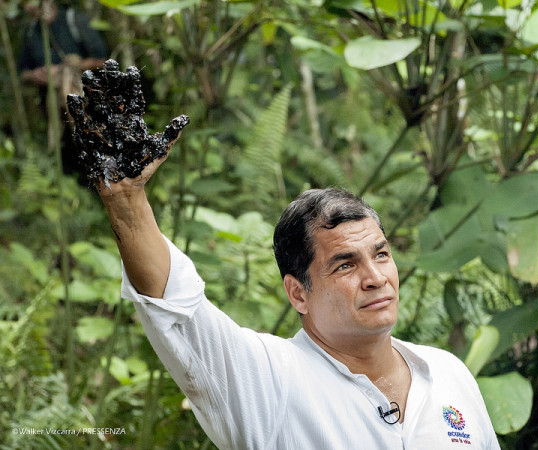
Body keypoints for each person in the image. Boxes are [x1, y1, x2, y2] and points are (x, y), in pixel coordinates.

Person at [98, 153, 501, 448]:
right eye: (345, 266)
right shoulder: (270, 378)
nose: (376, 278)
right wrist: (125, 200)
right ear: (298, 293)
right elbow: (176, 305)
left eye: (381, 254)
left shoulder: (448, 373)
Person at [18, 0, 108, 174]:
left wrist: (73, 66)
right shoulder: (31, 31)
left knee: (94, 151)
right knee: (69, 161)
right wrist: (36, 75)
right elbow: (23, 73)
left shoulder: (74, 21)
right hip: (55, 114)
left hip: (88, 108)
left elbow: (103, 61)